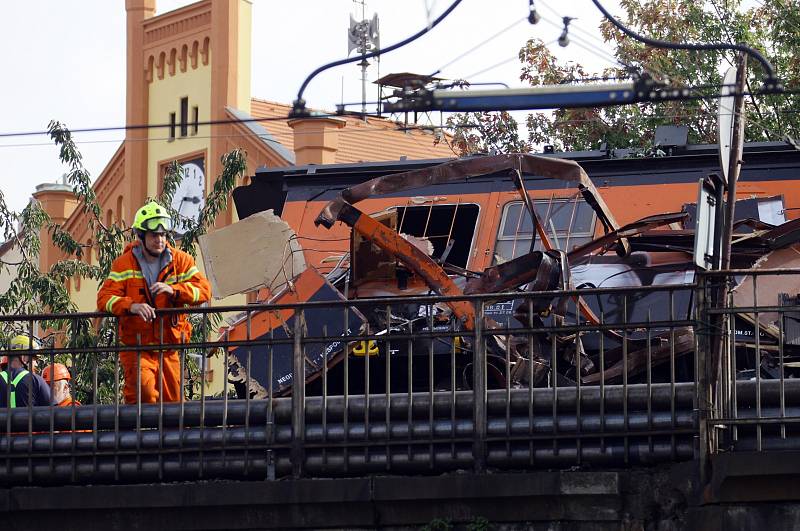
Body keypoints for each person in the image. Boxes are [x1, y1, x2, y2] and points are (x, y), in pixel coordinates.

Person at [97, 201, 211, 404]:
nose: (160, 239)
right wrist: (131, 306)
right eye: (154, 235)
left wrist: (175, 290)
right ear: (141, 236)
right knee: (144, 394)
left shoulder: (181, 261)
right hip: (137, 348)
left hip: (169, 349)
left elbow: (204, 291)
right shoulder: (123, 264)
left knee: (174, 404)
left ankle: (171, 437)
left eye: (163, 234)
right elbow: (104, 298)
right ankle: (137, 435)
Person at [0, 335, 51, 408]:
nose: (36, 364)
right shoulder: (36, 380)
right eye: (34, 359)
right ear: (23, 356)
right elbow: (54, 412)